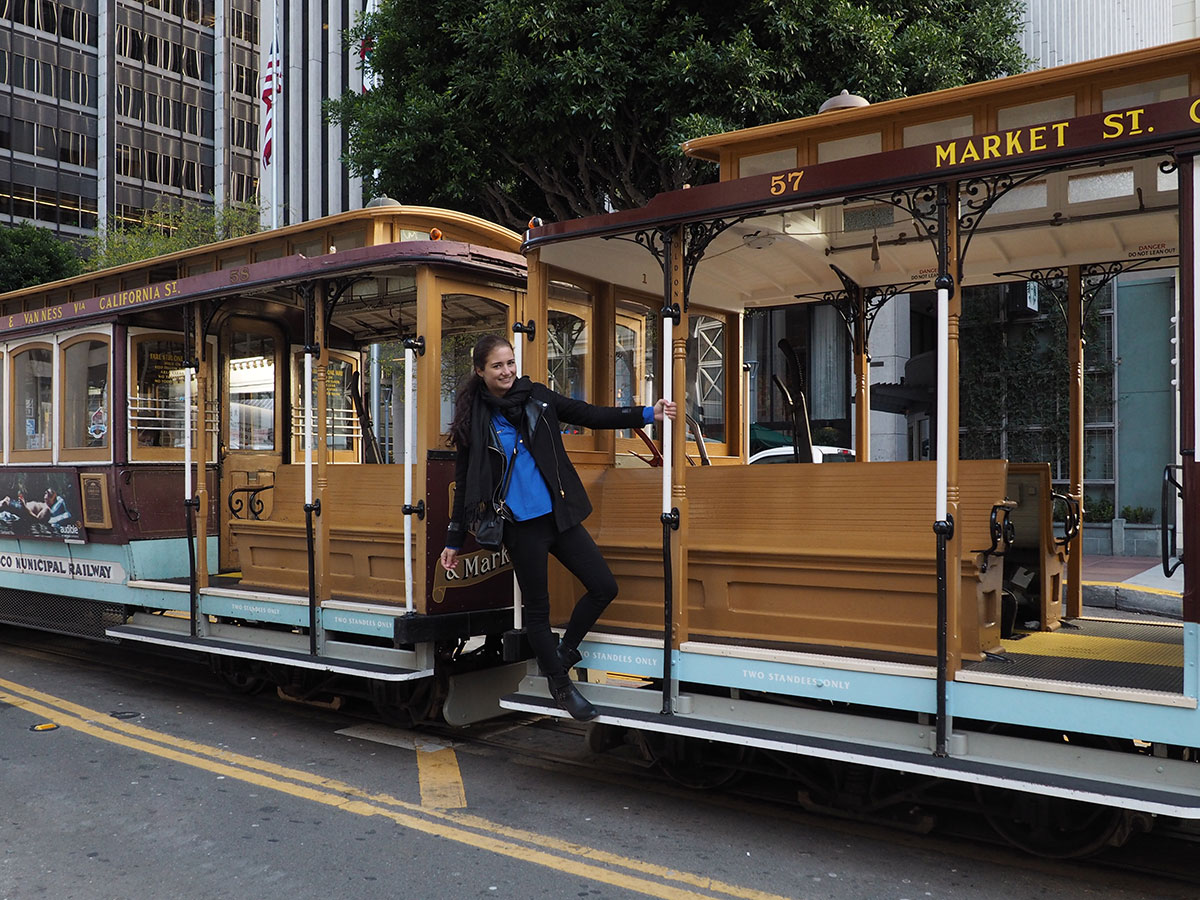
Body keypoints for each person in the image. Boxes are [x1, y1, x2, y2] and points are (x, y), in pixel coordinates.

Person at [441, 334, 675, 721]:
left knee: (604, 587)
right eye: (497, 365)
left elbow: (589, 413)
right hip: (519, 527)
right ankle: (560, 686)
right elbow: (465, 484)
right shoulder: (474, 419)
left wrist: (648, 414)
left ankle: (562, 655)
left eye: (510, 363)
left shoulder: (538, 398)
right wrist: (453, 540)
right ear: (480, 371)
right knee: (538, 609)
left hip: (558, 516)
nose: (507, 371)